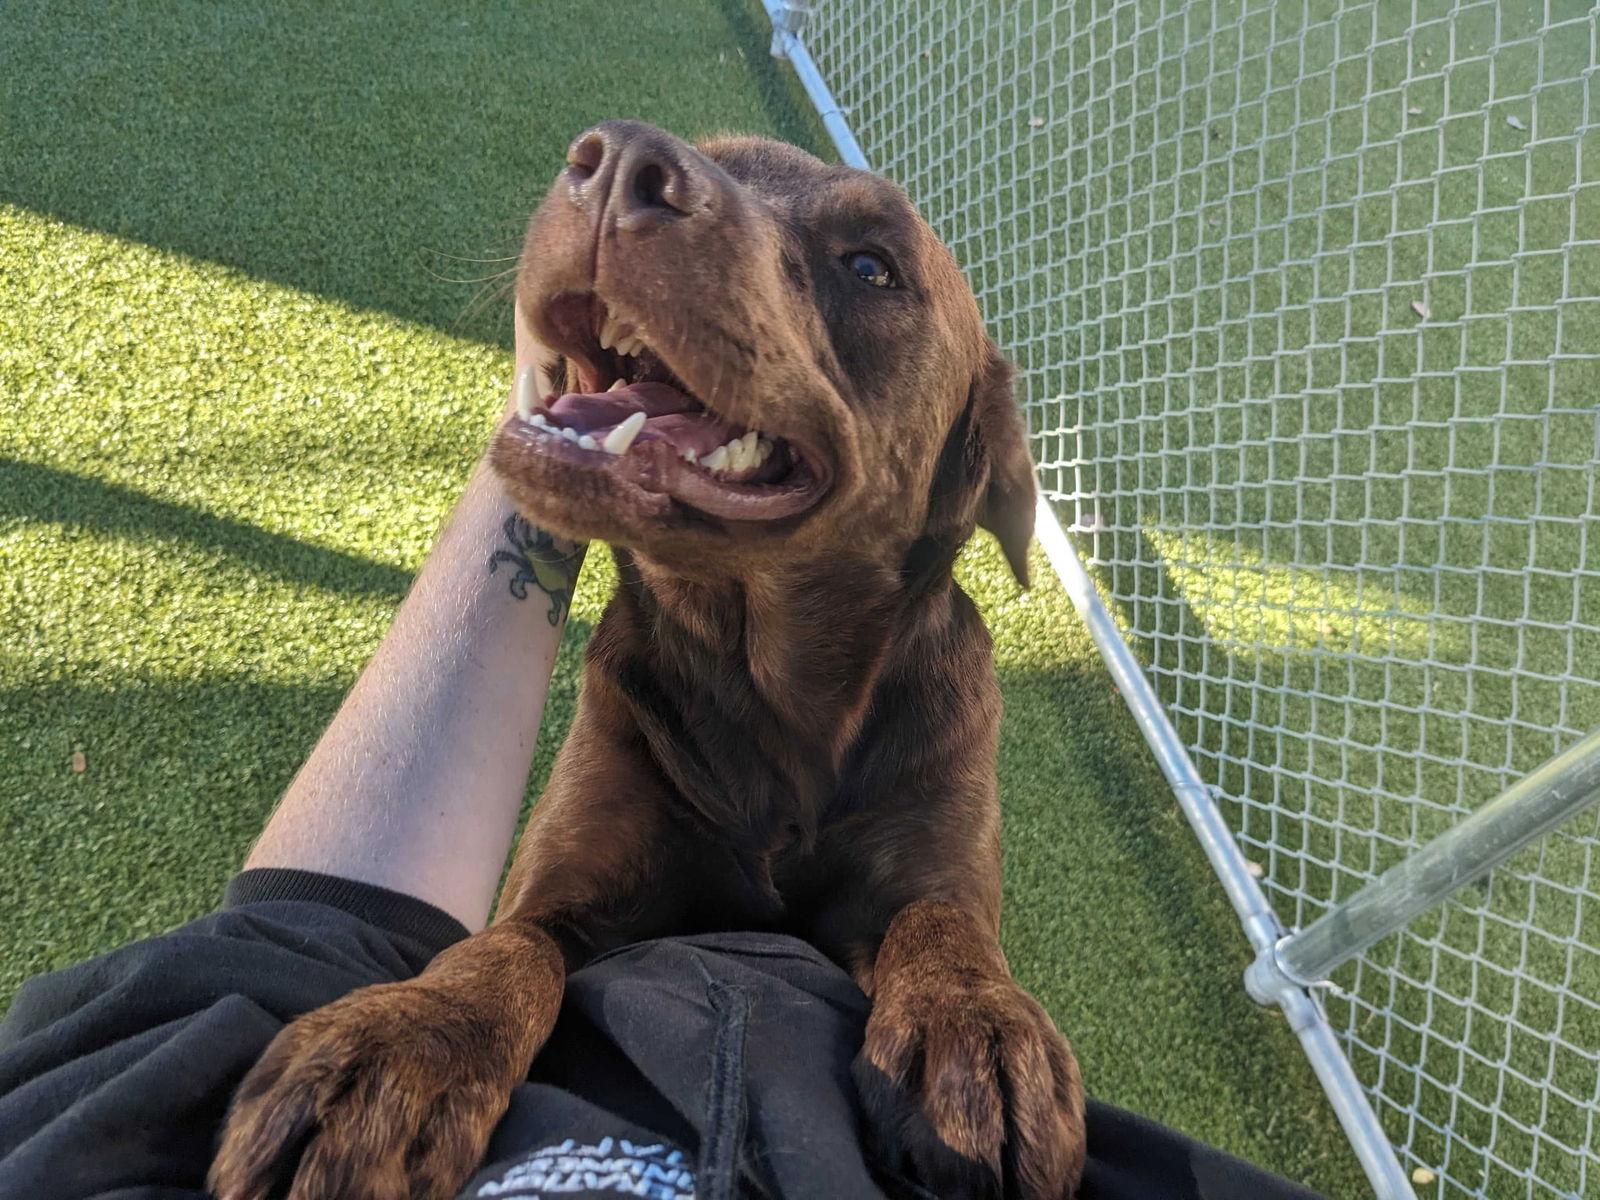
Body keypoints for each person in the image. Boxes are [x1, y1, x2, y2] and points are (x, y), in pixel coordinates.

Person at [0, 311, 1321, 1200]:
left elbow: (307, 937)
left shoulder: (117, 1108)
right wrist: (579, 431)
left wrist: (945, 952)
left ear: (976, 465)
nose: (630, 172)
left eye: (865, 274)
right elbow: (532, 929)